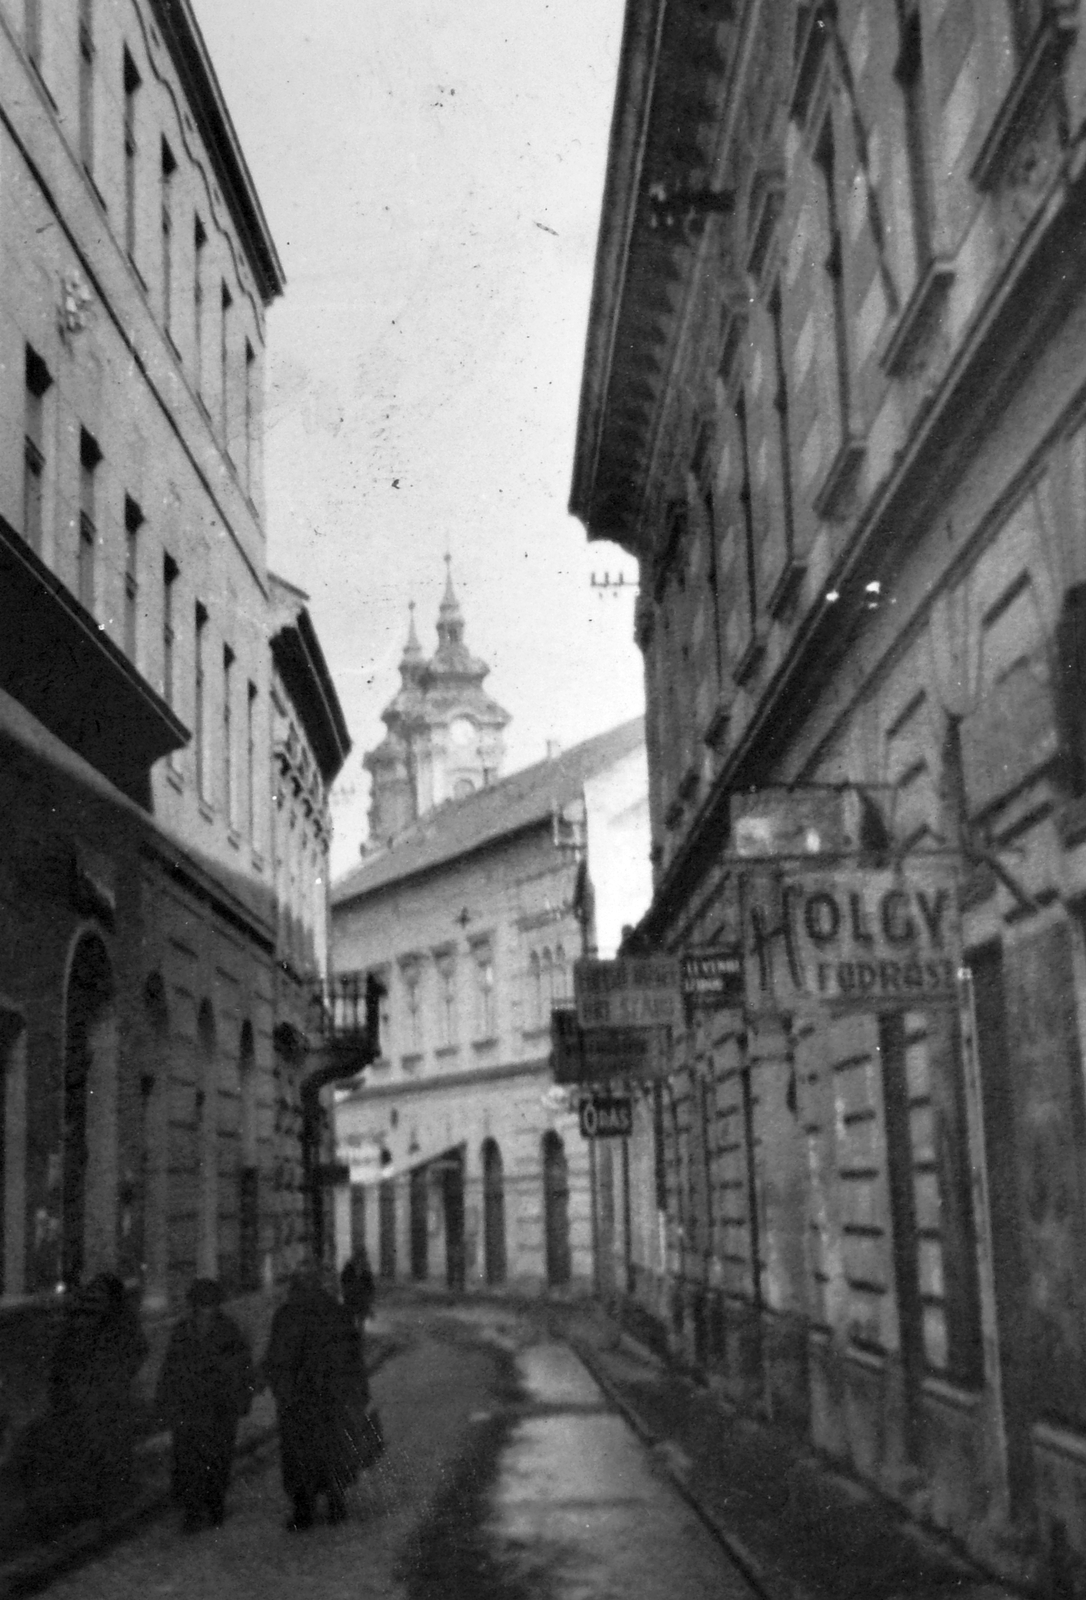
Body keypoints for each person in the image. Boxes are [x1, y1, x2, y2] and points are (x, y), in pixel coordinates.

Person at [262, 1261, 370, 1530]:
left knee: (302, 1456)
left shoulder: (288, 1315)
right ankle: (333, 1502)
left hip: (301, 1401)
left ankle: (306, 1509)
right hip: (326, 1400)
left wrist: (280, 1389)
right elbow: (353, 1357)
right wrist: (358, 1390)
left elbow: (277, 1358)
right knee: (331, 1451)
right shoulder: (335, 1313)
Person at [43, 1272, 149, 1520]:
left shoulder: (82, 1316)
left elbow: (61, 1357)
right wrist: (119, 1376)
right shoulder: (120, 1317)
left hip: (85, 1394)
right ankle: (106, 1503)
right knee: (106, 1449)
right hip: (100, 1395)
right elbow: (137, 1350)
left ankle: (97, 1503)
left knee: (90, 1449)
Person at [154, 1278, 255, 1532]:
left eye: (209, 1304)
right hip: (190, 1407)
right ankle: (192, 1509)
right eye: (201, 1305)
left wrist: (240, 1399)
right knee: (189, 1459)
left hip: (219, 1407)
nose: (205, 1310)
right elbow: (171, 1367)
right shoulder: (183, 1331)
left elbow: (242, 1367)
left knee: (217, 1458)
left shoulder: (228, 1330)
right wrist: (165, 1401)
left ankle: (214, 1503)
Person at [340, 1246, 375, 1329]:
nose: (362, 1258)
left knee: (361, 1317)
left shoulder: (366, 1266)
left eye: (363, 1256)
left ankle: (359, 1333)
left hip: (361, 1295)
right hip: (351, 1294)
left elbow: (369, 1280)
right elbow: (344, 1279)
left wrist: (370, 1292)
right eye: (361, 1256)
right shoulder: (349, 1266)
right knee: (351, 1315)